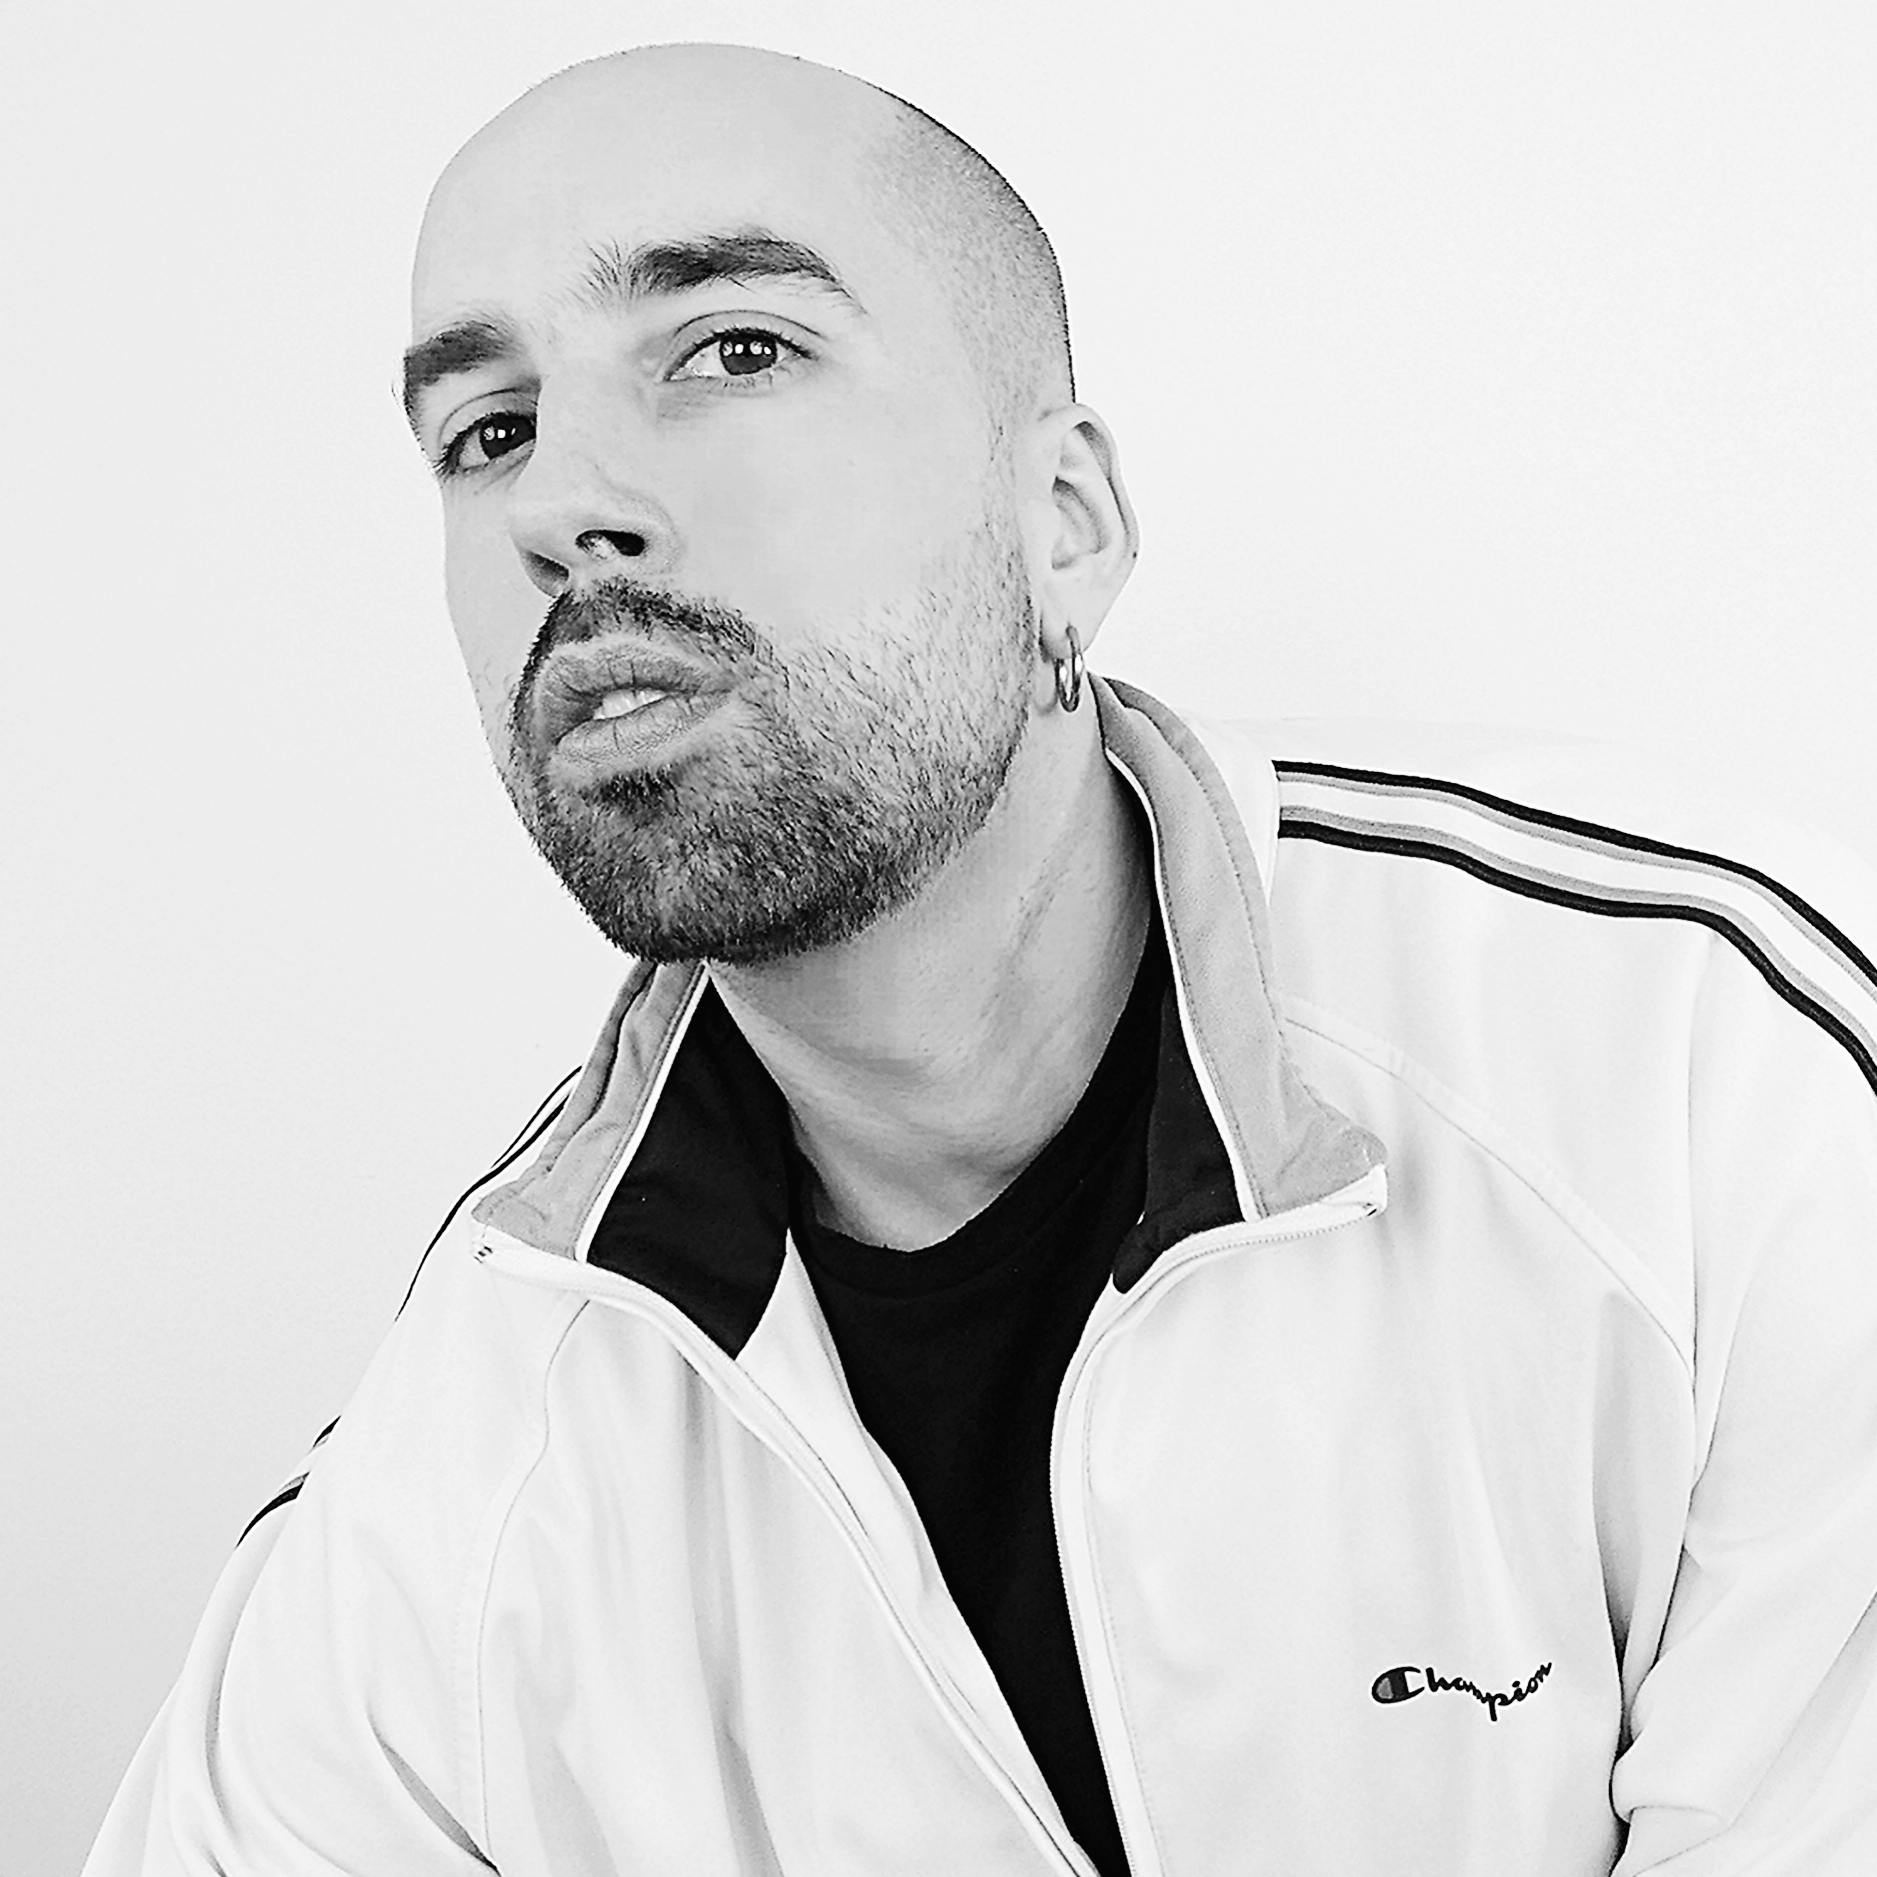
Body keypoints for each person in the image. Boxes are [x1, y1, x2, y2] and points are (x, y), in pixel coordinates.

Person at [86, 41, 1877, 1877]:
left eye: (733, 349)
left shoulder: (1709, 1081)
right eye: (489, 433)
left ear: (1065, 526)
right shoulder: (457, 1480)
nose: (560, 504)